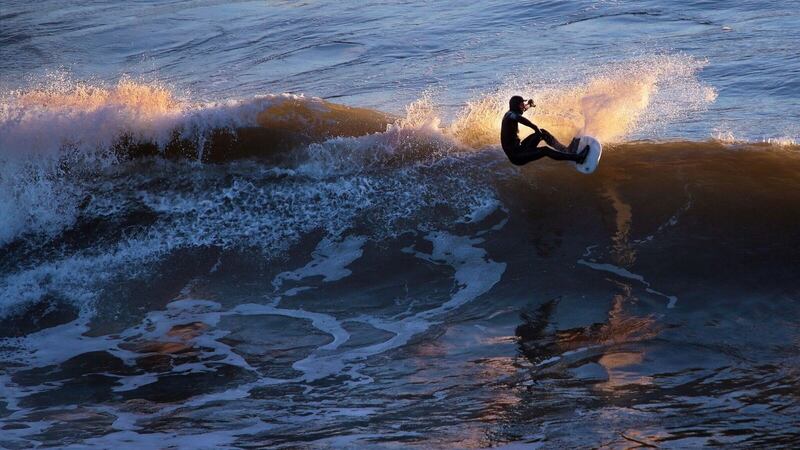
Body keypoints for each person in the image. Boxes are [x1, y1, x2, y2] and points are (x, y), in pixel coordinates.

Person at [500, 95, 589, 166]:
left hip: (521, 148)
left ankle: (566, 151)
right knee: (545, 150)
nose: (523, 107)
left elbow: (521, 111)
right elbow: (519, 118)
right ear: (516, 106)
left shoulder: (513, 111)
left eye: (523, 105)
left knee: (542, 133)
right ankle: (578, 158)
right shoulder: (510, 115)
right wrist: (534, 127)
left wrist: (529, 105)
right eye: (521, 105)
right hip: (517, 156)